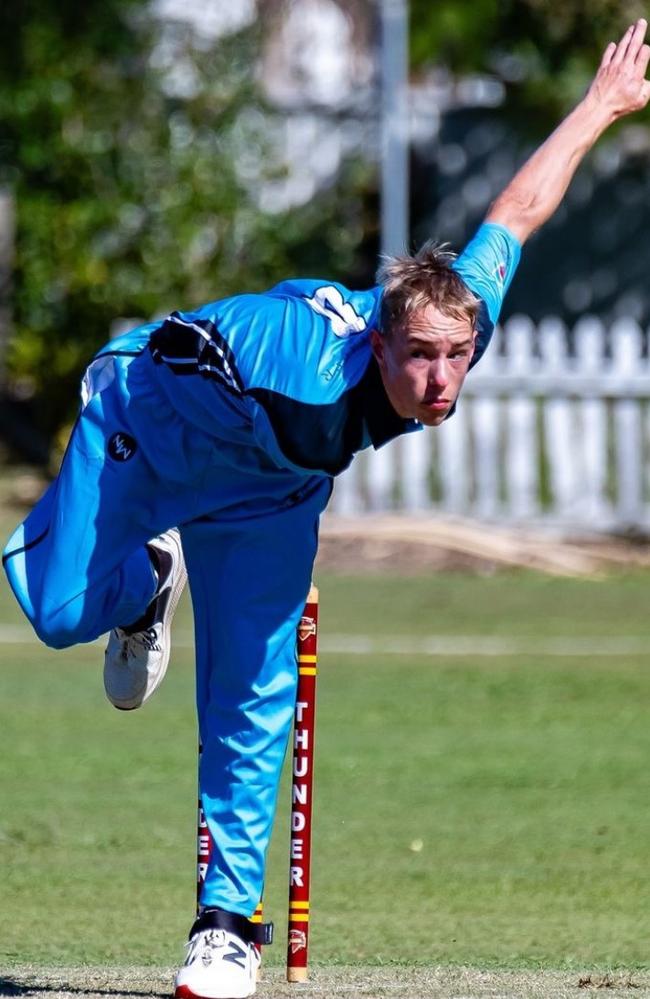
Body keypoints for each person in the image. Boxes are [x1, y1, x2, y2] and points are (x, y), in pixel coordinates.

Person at [4, 20, 650, 999]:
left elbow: (514, 213)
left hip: (269, 494)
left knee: (249, 699)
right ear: (379, 348)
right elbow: (204, 336)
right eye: (420, 357)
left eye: (453, 357)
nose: (439, 380)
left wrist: (599, 106)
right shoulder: (295, 367)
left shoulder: (454, 303)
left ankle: (226, 930)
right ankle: (143, 584)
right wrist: (171, 356)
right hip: (147, 438)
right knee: (56, 615)